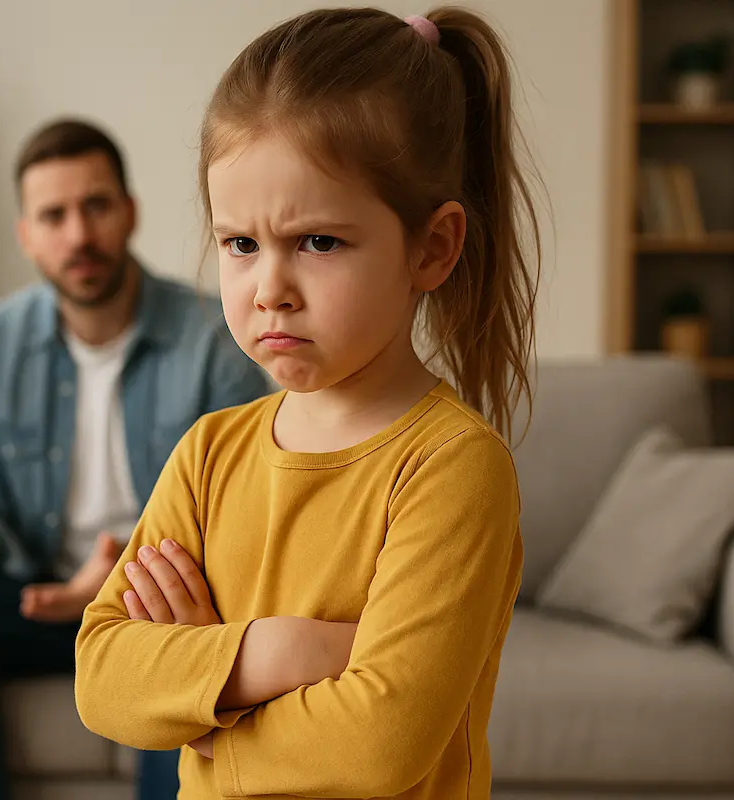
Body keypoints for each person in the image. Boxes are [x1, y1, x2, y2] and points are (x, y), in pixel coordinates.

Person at [75, 7, 541, 798]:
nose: (270, 291)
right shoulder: (208, 453)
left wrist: (204, 710)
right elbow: (101, 678)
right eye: (240, 245)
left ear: (431, 248)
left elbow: (376, 747)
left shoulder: (453, 468)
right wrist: (280, 652)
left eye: (318, 242)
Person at [0, 118, 270, 800]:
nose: (78, 235)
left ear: (129, 213)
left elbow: (240, 517)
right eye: (53, 215)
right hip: (40, 596)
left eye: (95, 206)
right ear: (26, 235)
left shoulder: (216, 338)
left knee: (178, 641)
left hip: (157, 599)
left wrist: (123, 567)